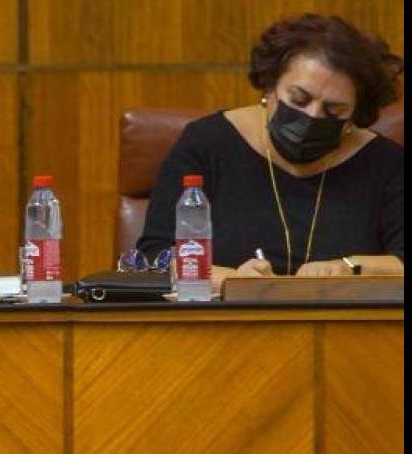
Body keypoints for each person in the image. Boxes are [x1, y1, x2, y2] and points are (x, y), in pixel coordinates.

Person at [138, 13, 404, 290]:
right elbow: (155, 257)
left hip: (345, 328)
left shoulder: (387, 165)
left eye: (333, 110)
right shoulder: (207, 144)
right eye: (298, 99)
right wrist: (232, 281)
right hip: (224, 324)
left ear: (355, 116)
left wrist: (347, 268)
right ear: (270, 86)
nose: (311, 116)